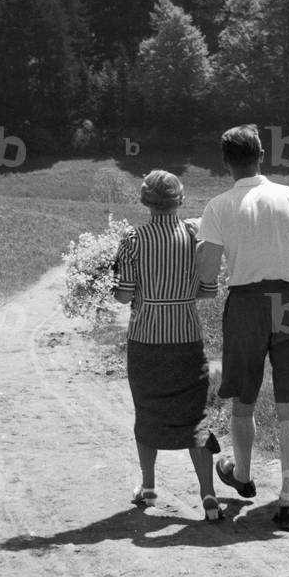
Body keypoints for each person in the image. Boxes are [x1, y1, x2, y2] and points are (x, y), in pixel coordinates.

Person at [196, 125, 289, 532]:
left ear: (226, 163)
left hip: (246, 305)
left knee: (244, 398)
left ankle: (241, 474)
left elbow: (207, 271)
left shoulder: (219, 205)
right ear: (262, 154)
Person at [113, 170, 223, 522]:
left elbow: (123, 294)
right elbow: (208, 291)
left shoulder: (133, 239)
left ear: (145, 201)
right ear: (179, 200)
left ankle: (148, 489)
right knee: (196, 417)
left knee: (147, 412)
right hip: (187, 337)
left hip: (146, 338)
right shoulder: (194, 235)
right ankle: (208, 495)